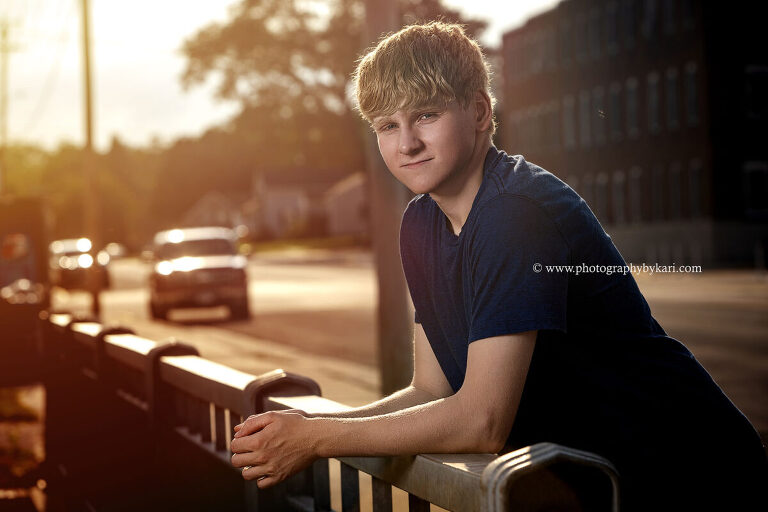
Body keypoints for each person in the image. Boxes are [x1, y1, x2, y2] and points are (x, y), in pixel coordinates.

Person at [230, 21, 768, 509]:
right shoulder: (421, 223)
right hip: (604, 485)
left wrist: (317, 439)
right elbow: (432, 392)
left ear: (482, 113)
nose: (407, 143)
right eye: (387, 125)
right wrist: (309, 426)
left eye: (426, 115)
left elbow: (482, 421)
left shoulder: (516, 213)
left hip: (697, 475)